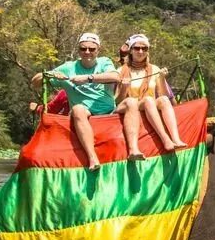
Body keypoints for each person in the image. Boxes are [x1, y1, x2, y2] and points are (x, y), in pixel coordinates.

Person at [32, 32, 121, 170]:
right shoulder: (68, 67)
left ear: (98, 50)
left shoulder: (104, 62)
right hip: (84, 113)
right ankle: (92, 158)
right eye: (83, 48)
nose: (87, 52)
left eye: (92, 49)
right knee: (77, 109)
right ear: (78, 50)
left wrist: (87, 78)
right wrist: (49, 75)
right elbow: (35, 82)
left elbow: (116, 77)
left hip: (108, 111)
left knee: (132, 103)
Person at [116, 33, 186, 154]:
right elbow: (117, 102)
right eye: (137, 48)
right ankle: (165, 139)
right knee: (148, 100)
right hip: (131, 107)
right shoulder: (120, 71)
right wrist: (124, 88)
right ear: (131, 50)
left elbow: (164, 95)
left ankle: (176, 138)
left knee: (163, 100)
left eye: (144, 48)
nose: (140, 51)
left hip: (150, 105)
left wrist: (163, 79)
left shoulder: (154, 69)